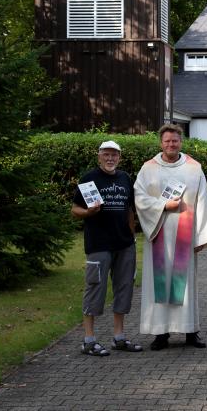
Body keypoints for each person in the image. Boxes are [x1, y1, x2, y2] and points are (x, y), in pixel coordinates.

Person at [134, 123, 207, 350]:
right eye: (167, 141)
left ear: (181, 142)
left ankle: (191, 331)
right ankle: (161, 333)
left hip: (185, 237)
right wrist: (164, 205)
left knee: (186, 284)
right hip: (158, 231)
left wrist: (201, 236)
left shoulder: (193, 168)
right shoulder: (148, 168)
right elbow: (139, 197)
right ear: (161, 143)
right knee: (159, 284)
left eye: (175, 141)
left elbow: (203, 201)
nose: (171, 144)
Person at [71, 140, 142, 356]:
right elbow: (75, 209)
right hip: (99, 244)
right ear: (99, 156)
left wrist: (131, 236)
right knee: (95, 288)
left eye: (114, 155)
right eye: (106, 155)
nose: (110, 158)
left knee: (124, 288)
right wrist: (88, 213)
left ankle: (119, 337)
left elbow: (130, 209)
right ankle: (89, 340)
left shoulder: (125, 178)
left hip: (124, 244)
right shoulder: (89, 179)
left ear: (119, 157)